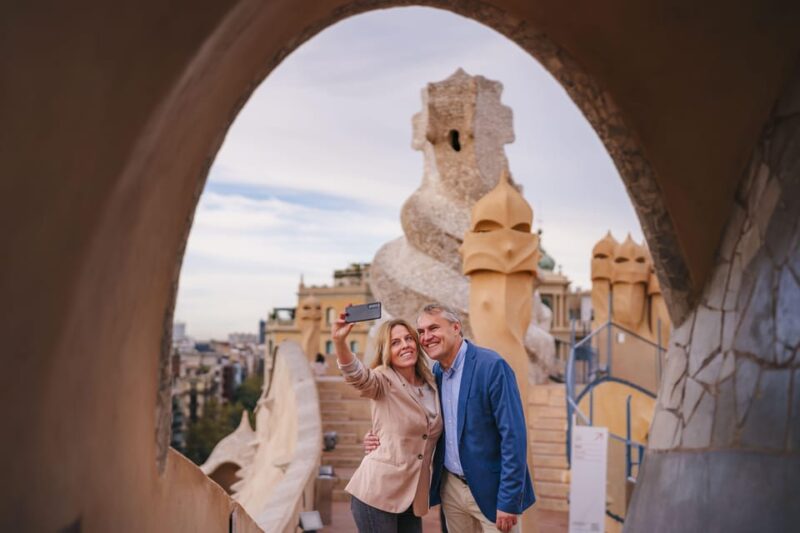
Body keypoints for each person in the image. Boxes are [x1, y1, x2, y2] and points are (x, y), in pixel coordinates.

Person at [366, 303, 535, 533]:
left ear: (456, 327)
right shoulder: (434, 375)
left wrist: (509, 500)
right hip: (451, 490)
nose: (426, 337)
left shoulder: (492, 366)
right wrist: (377, 437)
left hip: (492, 492)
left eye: (433, 328)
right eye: (422, 332)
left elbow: (513, 436)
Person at [332, 313, 443, 533]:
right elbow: (357, 376)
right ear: (386, 351)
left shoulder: (432, 382)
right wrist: (339, 341)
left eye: (408, 339)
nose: (405, 346)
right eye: (395, 342)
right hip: (377, 492)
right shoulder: (383, 379)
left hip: (413, 495)